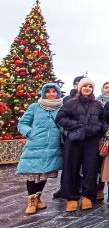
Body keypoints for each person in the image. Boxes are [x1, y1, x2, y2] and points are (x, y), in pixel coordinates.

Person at [56, 78, 104, 212]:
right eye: (85, 86)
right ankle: (71, 197)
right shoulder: (71, 103)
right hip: (75, 139)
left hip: (91, 140)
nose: (87, 88)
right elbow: (60, 118)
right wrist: (75, 126)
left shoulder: (97, 105)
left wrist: (97, 128)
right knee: (71, 166)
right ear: (80, 88)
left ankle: (87, 195)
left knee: (90, 168)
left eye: (90, 86)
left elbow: (102, 119)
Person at [17, 83, 64, 215]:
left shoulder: (61, 108)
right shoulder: (35, 107)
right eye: (48, 92)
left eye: (53, 92)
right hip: (35, 145)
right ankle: (31, 201)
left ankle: (38, 198)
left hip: (53, 146)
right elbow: (22, 123)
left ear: (58, 93)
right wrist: (30, 133)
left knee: (44, 174)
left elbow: (63, 124)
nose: (51, 94)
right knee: (32, 173)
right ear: (43, 93)